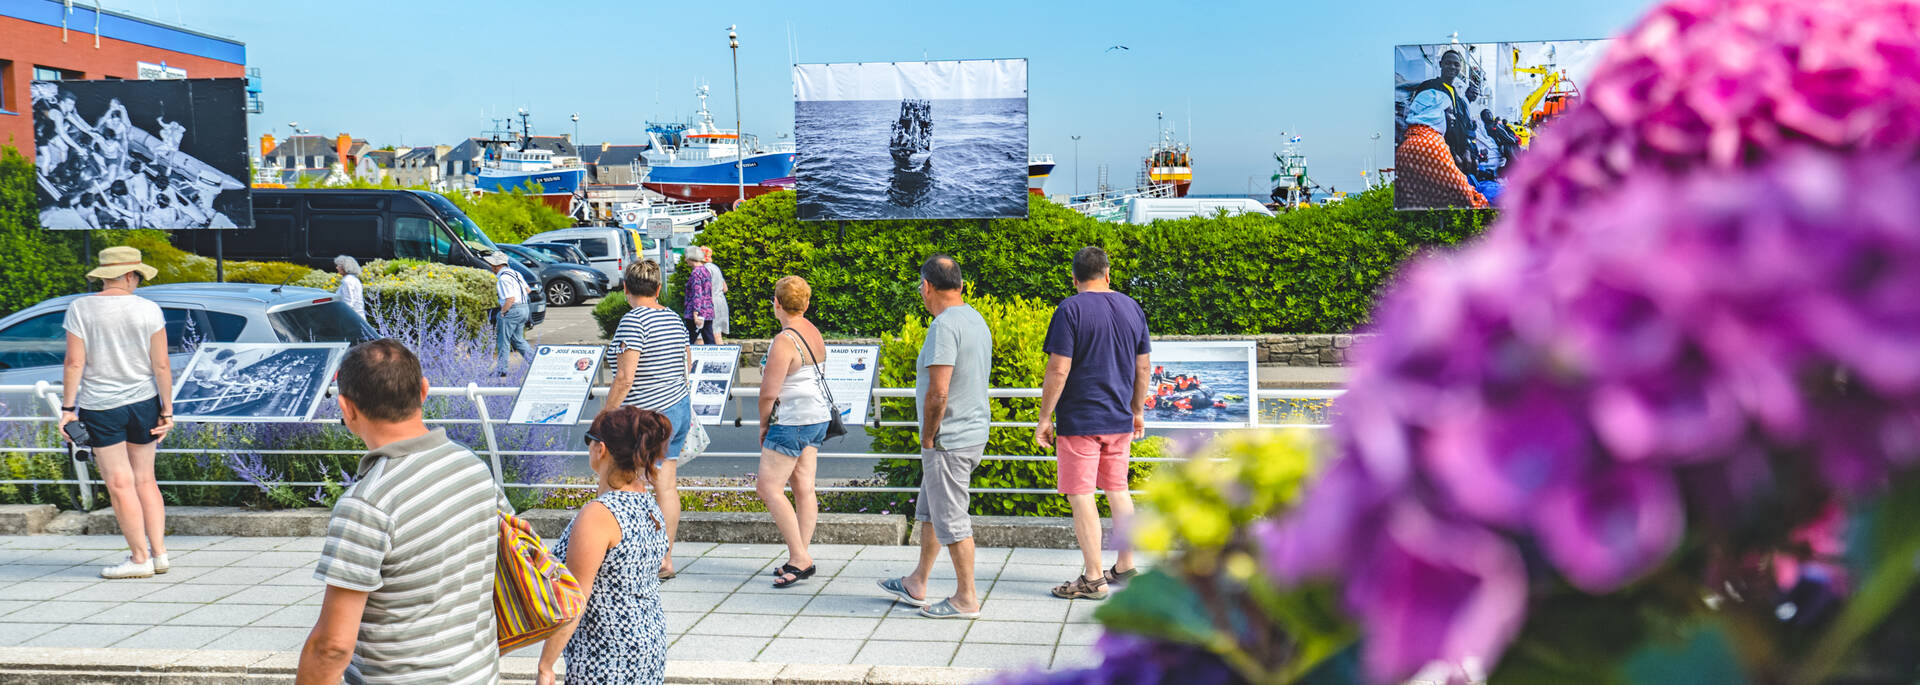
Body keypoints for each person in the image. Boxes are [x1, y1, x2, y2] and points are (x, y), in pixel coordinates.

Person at [298, 339, 504, 684]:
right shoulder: (471, 467)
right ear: (424, 391)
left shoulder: (367, 503)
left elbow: (332, 646)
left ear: (347, 408)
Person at [877, 254, 993, 619]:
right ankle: (918, 582)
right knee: (931, 511)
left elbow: (938, 392)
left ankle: (966, 598)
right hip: (971, 431)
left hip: (948, 439)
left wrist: (928, 437)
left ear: (927, 287)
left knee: (953, 518)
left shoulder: (943, 326)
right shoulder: (975, 318)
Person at [1034, 246, 1148, 601]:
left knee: (1081, 494)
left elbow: (1058, 369)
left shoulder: (1070, 309)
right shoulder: (1132, 307)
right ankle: (1126, 565)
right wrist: (1137, 410)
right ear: (1108, 274)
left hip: (1081, 419)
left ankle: (1093, 578)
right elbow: (1143, 367)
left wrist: (1044, 417)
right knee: (1118, 491)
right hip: (1119, 418)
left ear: (1074, 278)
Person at [534, 407, 673, 685]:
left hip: (606, 653)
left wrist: (545, 665)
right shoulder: (648, 503)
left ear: (602, 449)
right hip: (649, 642)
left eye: (589, 441)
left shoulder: (599, 514)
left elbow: (577, 599)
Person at [58, 246, 174, 580]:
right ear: (127, 275)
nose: (137, 281)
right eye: (137, 275)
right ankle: (159, 553)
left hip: (101, 406)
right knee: (145, 480)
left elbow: (74, 363)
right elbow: (162, 365)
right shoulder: (149, 309)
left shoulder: (81, 308)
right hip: (144, 403)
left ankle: (140, 559)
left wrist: (68, 409)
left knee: (120, 484)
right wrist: (166, 410)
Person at [603, 260, 692, 580]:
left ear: (625, 288)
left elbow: (625, 378)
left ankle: (627, 553)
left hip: (646, 417)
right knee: (666, 486)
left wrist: (603, 418)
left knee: (627, 481)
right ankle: (664, 559)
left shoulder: (632, 322)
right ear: (657, 289)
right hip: (678, 409)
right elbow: (688, 364)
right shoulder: (673, 318)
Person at [755, 276, 833, 589]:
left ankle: (800, 558)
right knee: (804, 485)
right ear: (806, 304)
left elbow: (768, 393)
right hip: (817, 416)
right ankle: (799, 554)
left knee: (768, 487)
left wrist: (763, 424)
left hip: (792, 420)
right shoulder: (812, 331)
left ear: (776, 303)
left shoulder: (785, 340)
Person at [1397, 89, 1491, 210]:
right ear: (1436, 113)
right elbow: (1466, 197)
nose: (1453, 118)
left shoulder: (1412, 139)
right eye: (1450, 112)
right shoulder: (1432, 145)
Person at [1409, 48, 1476, 178]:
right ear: (1441, 64)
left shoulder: (1459, 98)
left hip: (1460, 159)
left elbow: (1466, 126)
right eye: (1448, 63)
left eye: (1456, 64)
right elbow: (1425, 124)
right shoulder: (1429, 88)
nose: (1452, 67)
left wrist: (1467, 152)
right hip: (1438, 154)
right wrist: (1451, 153)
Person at [489, 252, 535, 377]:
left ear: (496, 265)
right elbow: (528, 290)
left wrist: (502, 312)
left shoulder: (503, 279)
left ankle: (502, 369)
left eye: (492, 264)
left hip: (512, 309)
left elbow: (510, 299)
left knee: (503, 340)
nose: (490, 267)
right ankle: (535, 362)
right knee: (518, 339)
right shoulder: (516, 273)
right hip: (524, 308)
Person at [682, 251, 716, 345]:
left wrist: (695, 314)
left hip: (696, 313)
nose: (686, 260)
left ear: (691, 258)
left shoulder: (696, 273)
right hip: (707, 311)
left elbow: (697, 293)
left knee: (688, 341)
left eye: (687, 258)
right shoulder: (706, 271)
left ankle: (684, 359)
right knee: (709, 340)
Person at [702, 247, 730, 343]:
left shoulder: (704, 269)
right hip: (721, 302)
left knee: (701, 337)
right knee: (718, 335)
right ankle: (722, 357)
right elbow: (725, 288)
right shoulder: (715, 268)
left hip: (710, 303)